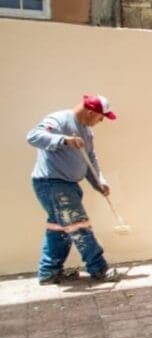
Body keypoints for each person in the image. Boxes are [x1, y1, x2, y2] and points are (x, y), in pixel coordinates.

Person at [27, 94, 122, 284]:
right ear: (90, 112)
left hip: (68, 185)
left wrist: (99, 183)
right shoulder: (59, 120)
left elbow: (90, 159)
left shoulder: (86, 131)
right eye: (101, 117)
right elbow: (33, 137)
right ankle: (99, 268)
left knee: (59, 228)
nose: (101, 121)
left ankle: (49, 272)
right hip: (53, 183)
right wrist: (64, 140)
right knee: (79, 225)